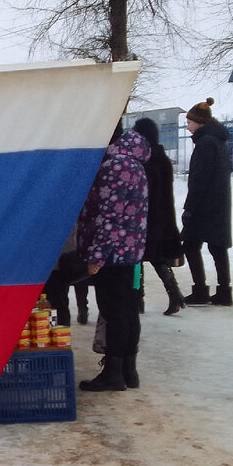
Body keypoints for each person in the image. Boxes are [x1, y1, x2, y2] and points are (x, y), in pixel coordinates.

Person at [75, 127, 150, 391]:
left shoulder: (116, 166)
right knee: (128, 310)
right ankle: (129, 370)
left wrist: (97, 255)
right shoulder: (136, 164)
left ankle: (113, 374)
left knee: (114, 311)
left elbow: (110, 215)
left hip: (113, 253)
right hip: (129, 252)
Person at [180, 98, 233, 306]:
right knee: (218, 247)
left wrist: (189, 209)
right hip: (217, 204)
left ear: (200, 122)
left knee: (191, 245)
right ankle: (224, 291)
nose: (188, 125)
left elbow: (199, 180)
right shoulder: (217, 141)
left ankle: (200, 290)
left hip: (204, 206)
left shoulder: (205, 143)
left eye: (190, 121)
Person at [132, 117, 187, 315]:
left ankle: (138, 300)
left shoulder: (143, 159)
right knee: (158, 258)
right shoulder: (162, 158)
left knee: (136, 260)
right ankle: (175, 295)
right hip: (161, 216)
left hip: (144, 216)